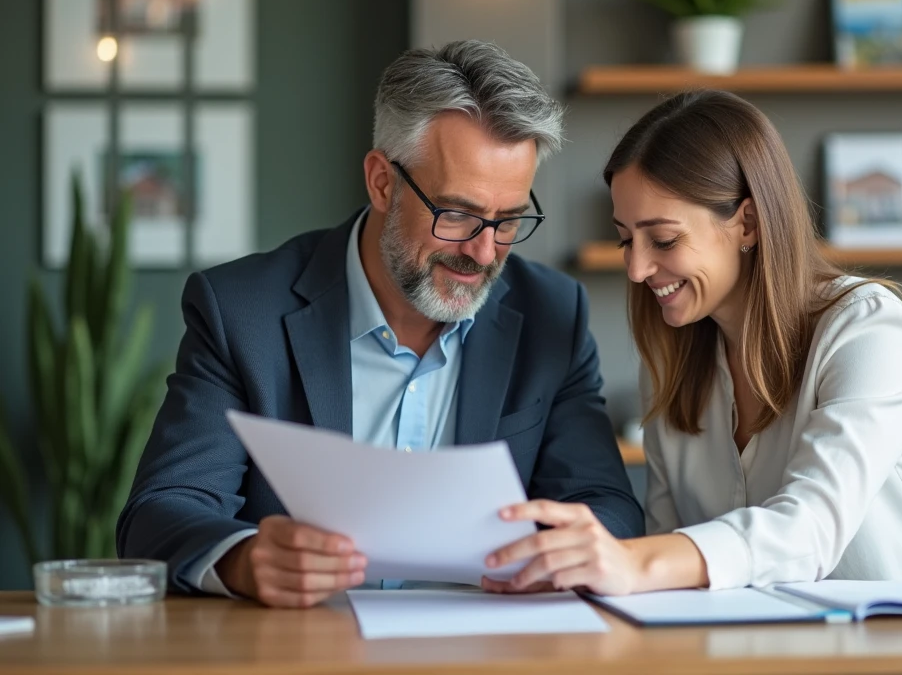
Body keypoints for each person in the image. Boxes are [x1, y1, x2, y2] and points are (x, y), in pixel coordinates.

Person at [117, 40, 644, 607]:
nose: (486, 253)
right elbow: (160, 511)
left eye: (510, 220)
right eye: (458, 214)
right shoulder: (243, 312)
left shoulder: (552, 314)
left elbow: (606, 506)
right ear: (382, 183)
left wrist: (562, 556)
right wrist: (243, 559)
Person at [483, 90, 902, 596]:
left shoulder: (868, 331)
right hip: (797, 653)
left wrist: (636, 560)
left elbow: (811, 530)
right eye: (625, 239)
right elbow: (672, 579)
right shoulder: (670, 365)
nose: (637, 269)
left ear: (747, 222)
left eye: (663, 240)